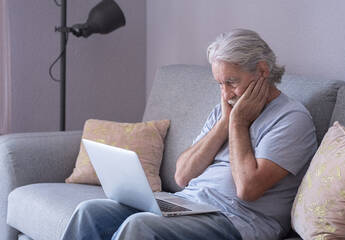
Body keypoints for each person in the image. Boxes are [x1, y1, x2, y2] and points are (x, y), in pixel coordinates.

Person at [60, 29, 318, 240]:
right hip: (189, 205)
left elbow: (248, 189)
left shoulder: (291, 119)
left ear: (262, 71)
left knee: (141, 226)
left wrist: (238, 124)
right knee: (89, 212)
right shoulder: (224, 111)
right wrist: (224, 124)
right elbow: (182, 175)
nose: (226, 94)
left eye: (232, 82)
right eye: (220, 84)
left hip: (238, 220)